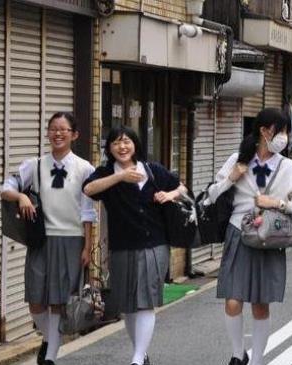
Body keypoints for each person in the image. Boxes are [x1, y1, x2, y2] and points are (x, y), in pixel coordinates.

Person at [208, 108, 292, 365]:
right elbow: (211, 196)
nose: (285, 137)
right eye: (282, 131)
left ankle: (256, 360)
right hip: (239, 234)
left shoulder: (287, 166)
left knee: (260, 303)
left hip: (269, 237)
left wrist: (277, 203)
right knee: (233, 300)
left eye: (287, 132)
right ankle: (237, 354)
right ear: (265, 131)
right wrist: (231, 179)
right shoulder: (238, 159)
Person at [82, 126, 188, 365]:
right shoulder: (106, 172)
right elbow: (88, 189)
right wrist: (120, 176)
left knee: (146, 301)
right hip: (122, 246)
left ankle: (137, 359)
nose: (122, 147)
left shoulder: (152, 169)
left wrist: (170, 195)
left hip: (154, 244)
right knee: (128, 304)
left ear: (135, 144)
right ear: (109, 148)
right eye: (116, 143)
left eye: (127, 141)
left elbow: (182, 188)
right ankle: (141, 352)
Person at [1, 112, 97, 365]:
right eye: (53, 129)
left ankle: (50, 357)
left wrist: (88, 246)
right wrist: (20, 196)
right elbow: (6, 187)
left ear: (74, 135)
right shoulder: (35, 165)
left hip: (71, 239)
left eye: (63, 129)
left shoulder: (85, 168)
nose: (57, 134)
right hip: (41, 240)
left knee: (58, 301)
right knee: (36, 301)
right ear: (47, 133)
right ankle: (48, 339)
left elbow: (88, 211)